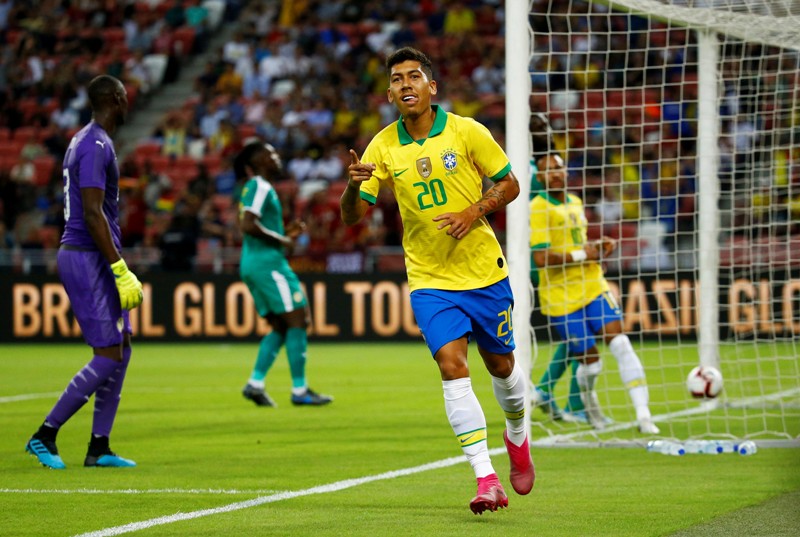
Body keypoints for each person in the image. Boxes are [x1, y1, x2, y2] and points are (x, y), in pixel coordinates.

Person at [339, 47, 533, 515]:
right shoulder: (381, 146)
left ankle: (518, 436)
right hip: (429, 278)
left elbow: (510, 185)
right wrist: (351, 185)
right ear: (389, 93)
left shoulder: (468, 131)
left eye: (414, 76)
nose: (406, 84)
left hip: (484, 272)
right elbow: (352, 218)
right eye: (397, 79)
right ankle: (486, 479)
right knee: (451, 366)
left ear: (432, 86)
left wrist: (472, 211)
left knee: (502, 367)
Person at [25, 75, 144, 470]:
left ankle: (99, 447)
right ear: (114, 98)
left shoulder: (90, 140)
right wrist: (118, 267)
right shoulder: (94, 145)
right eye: (125, 97)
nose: (129, 103)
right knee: (108, 352)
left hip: (92, 254)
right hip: (85, 255)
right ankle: (45, 434)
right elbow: (92, 214)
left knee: (120, 348)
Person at [529, 152, 660, 434]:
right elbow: (540, 258)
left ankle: (644, 415)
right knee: (591, 363)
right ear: (540, 178)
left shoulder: (575, 201)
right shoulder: (539, 207)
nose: (555, 174)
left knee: (620, 343)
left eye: (559, 168)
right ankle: (588, 407)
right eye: (548, 170)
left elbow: (580, 243)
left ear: (566, 173)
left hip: (592, 283)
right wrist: (582, 254)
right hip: (560, 295)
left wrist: (598, 246)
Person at [235, 141, 333, 407]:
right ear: (255, 163)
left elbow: (255, 225)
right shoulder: (260, 185)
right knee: (299, 318)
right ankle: (300, 390)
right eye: (269, 154)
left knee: (281, 326)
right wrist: (284, 240)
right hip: (268, 265)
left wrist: (283, 235)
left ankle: (255, 383)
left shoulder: (257, 188)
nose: (276, 157)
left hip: (256, 261)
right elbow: (247, 224)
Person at [527, 112, 580, 423]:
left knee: (577, 334)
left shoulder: (534, 166)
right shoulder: (544, 170)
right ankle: (547, 392)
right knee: (578, 334)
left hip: (544, 255)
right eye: (542, 129)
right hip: (547, 259)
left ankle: (571, 399)